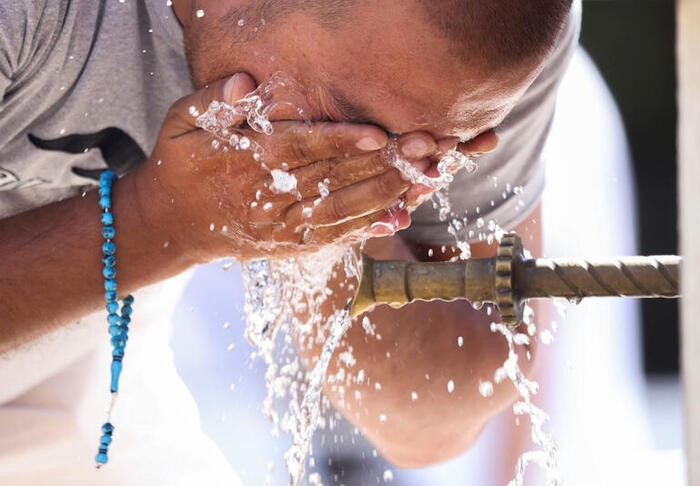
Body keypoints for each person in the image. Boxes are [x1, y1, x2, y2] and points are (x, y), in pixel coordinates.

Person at [0, 0, 579, 480]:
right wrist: (159, 222)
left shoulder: (496, 38)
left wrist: (336, 232)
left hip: (77, 397)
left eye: (439, 155)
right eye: (352, 120)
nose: (403, 174)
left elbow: (432, 425)